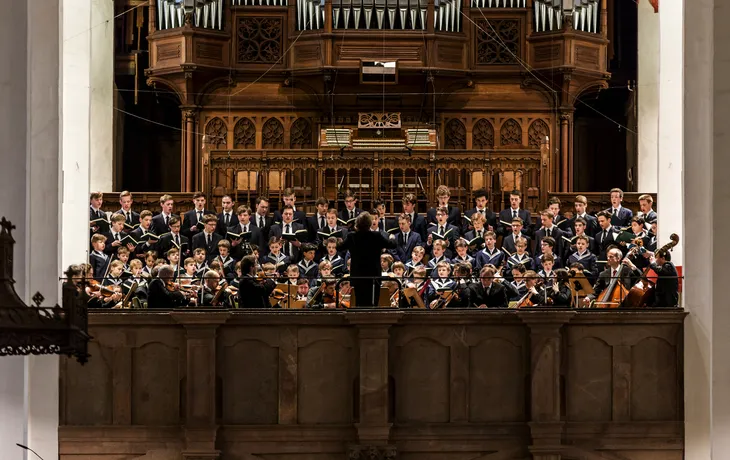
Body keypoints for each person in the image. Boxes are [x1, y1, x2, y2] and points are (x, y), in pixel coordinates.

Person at [337, 212, 397, 307]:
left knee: (360, 303)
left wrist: (338, 241)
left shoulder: (352, 236)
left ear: (357, 224)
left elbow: (339, 248)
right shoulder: (376, 236)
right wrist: (392, 237)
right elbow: (392, 245)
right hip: (373, 276)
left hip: (358, 276)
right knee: (373, 304)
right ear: (369, 224)